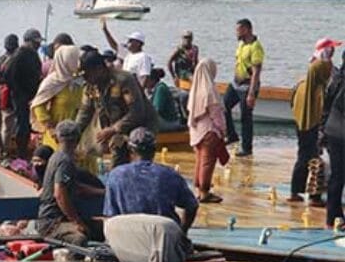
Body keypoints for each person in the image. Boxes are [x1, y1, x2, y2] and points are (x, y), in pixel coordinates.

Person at [104, 128, 199, 231]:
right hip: (163, 238)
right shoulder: (170, 175)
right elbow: (192, 206)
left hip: (128, 240)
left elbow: (110, 216)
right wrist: (182, 231)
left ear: (130, 150)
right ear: (154, 150)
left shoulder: (115, 176)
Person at [76, 50, 158, 169]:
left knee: (138, 160)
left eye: (87, 75)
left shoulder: (123, 80)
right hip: (117, 126)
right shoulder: (91, 85)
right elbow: (85, 112)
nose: (85, 79)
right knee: (116, 154)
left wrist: (113, 129)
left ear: (99, 69)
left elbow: (137, 112)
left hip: (141, 124)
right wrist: (73, 133)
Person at [35, 121, 105, 245]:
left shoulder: (60, 158)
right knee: (79, 239)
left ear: (57, 138)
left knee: (103, 229)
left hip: (61, 219)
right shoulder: (64, 161)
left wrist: (104, 192)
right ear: (78, 139)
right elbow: (60, 194)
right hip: (52, 223)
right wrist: (77, 221)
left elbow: (77, 187)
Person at [289, 58, 333, 205]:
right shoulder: (319, 90)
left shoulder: (301, 85)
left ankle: (295, 191)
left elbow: (292, 102)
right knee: (317, 162)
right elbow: (324, 112)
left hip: (300, 124)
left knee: (302, 157)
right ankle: (315, 196)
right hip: (314, 127)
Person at [187, 59, 229, 203]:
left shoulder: (195, 89)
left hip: (196, 131)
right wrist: (223, 129)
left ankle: (199, 190)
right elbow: (216, 114)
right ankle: (205, 192)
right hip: (209, 131)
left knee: (200, 161)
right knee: (207, 162)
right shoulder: (209, 90)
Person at [223, 18, 264, 157]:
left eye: (239, 30)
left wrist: (251, 93)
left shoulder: (255, 47)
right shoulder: (241, 44)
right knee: (224, 106)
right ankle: (232, 135)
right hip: (236, 83)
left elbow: (256, 72)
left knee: (245, 117)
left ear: (247, 29)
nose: (236, 33)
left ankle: (247, 148)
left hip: (247, 86)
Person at [31, 45, 84, 151]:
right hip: (57, 135)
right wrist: (50, 127)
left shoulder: (80, 81)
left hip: (79, 133)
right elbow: (38, 106)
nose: (78, 64)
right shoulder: (52, 82)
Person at [4, 28, 43, 159]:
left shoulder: (33, 55)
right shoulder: (19, 54)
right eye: (35, 42)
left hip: (30, 95)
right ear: (28, 41)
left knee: (28, 125)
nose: (38, 45)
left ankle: (24, 150)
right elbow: (8, 73)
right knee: (22, 125)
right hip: (20, 95)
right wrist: (18, 91)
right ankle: (20, 153)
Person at [323, 55, 345, 228]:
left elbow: (326, 104)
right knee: (338, 175)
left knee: (337, 175)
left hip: (332, 130)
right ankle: (335, 216)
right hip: (341, 132)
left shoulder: (336, 77)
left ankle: (333, 216)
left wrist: (322, 130)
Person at [101, 19, 153, 85]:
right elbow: (114, 45)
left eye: (131, 41)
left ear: (138, 43)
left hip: (135, 89)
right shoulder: (128, 55)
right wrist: (105, 30)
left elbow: (145, 77)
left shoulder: (143, 57)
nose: (128, 42)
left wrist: (139, 92)